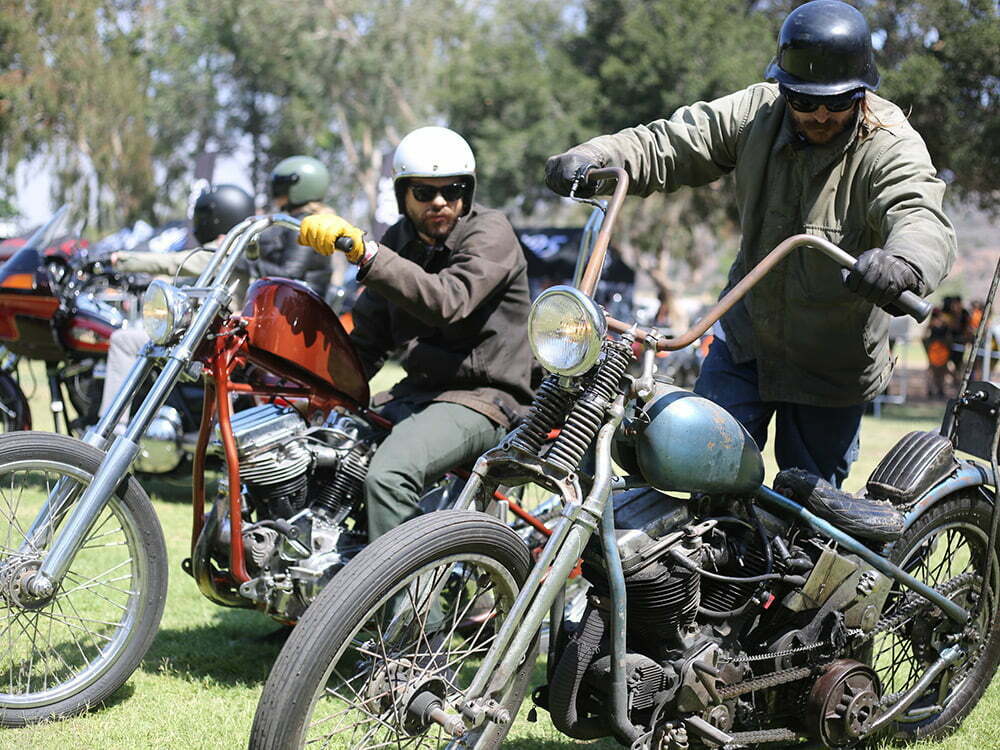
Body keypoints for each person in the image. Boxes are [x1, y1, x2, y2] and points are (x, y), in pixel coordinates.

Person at [545, 0, 956, 488]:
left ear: (862, 91)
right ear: (785, 90)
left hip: (834, 363)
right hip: (745, 345)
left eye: (838, 101)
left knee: (809, 510)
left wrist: (903, 263)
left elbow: (920, 212)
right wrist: (597, 156)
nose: (821, 114)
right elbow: (669, 144)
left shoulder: (889, 142)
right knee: (691, 476)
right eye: (805, 101)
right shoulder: (754, 112)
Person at [295, 126, 534, 540]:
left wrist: (367, 253)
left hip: (486, 398)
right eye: (424, 192)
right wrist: (311, 393)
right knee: (321, 448)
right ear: (404, 194)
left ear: (468, 192)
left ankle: (411, 605)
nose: (440, 202)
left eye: (453, 190)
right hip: (420, 392)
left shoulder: (491, 233)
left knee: (389, 476)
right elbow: (368, 340)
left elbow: (449, 300)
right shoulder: (399, 240)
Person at [97, 184, 256, 421]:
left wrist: (119, 259)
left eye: (203, 216)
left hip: (209, 337)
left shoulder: (226, 250)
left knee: (124, 340)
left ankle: (111, 428)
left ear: (219, 218)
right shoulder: (242, 249)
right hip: (211, 334)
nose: (198, 222)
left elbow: (173, 263)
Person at [256, 155, 335, 297]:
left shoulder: (305, 225)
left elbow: (290, 274)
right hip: (292, 301)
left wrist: (242, 262)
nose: (277, 192)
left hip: (297, 307)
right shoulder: (297, 221)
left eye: (282, 186)